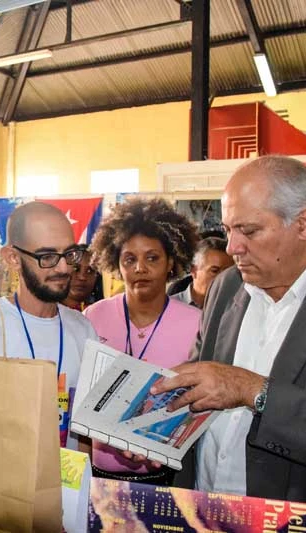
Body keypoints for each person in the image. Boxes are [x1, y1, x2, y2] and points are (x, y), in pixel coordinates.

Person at [153, 156, 306, 532]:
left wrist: (253, 390)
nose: (233, 247)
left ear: (304, 223)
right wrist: (152, 434)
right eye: (228, 230)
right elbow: (200, 388)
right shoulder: (226, 287)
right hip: (205, 514)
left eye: (249, 230)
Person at [0, 202, 98, 449]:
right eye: (47, 257)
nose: (63, 268)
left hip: (66, 483)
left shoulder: (83, 330)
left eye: (69, 254)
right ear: (13, 259)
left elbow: (85, 435)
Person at [84, 198, 200, 483]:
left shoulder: (197, 322)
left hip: (167, 476)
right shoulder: (93, 316)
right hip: (99, 475)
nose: (140, 268)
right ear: (116, 263)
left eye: (152, 257)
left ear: (171, 262)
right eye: (129, 259)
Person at [171, 236, 234, 308]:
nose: (222, 278)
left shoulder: (236, 309)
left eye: (228, 272)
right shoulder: (167, 309)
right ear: (194, 271)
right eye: (215, 271)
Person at [62, 245, 101, 311]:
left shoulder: (102, 312)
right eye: (75, 269)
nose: (82, 277)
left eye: (90, 271)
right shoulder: (43, 311)